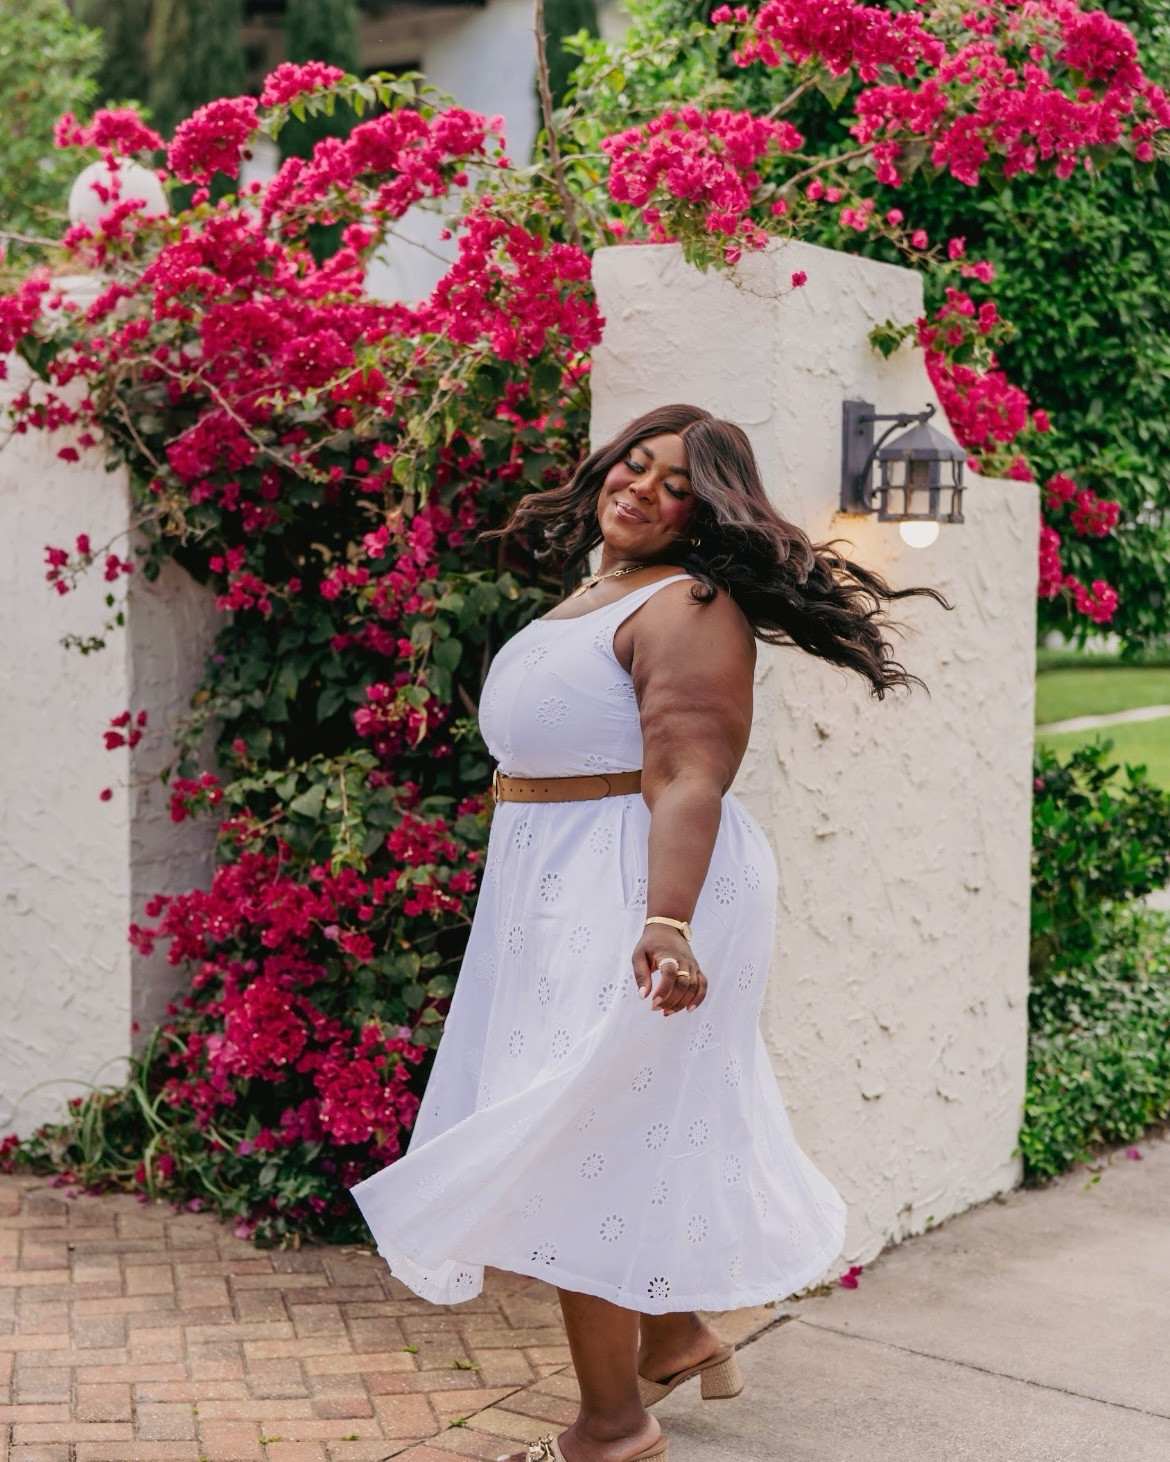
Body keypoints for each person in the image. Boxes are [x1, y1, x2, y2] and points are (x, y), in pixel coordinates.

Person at [352, 403, 949, 1462]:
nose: (643, 487)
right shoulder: (601, 586)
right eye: (637, 462)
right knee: (603, 1119)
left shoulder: (691, 605)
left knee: (587, 1132)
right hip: (562, 877)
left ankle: (612, 1426)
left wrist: (664, 918)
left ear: (702, 513)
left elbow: (688, 774)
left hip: (639, 884)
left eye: (676, 484)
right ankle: (673, 1334)